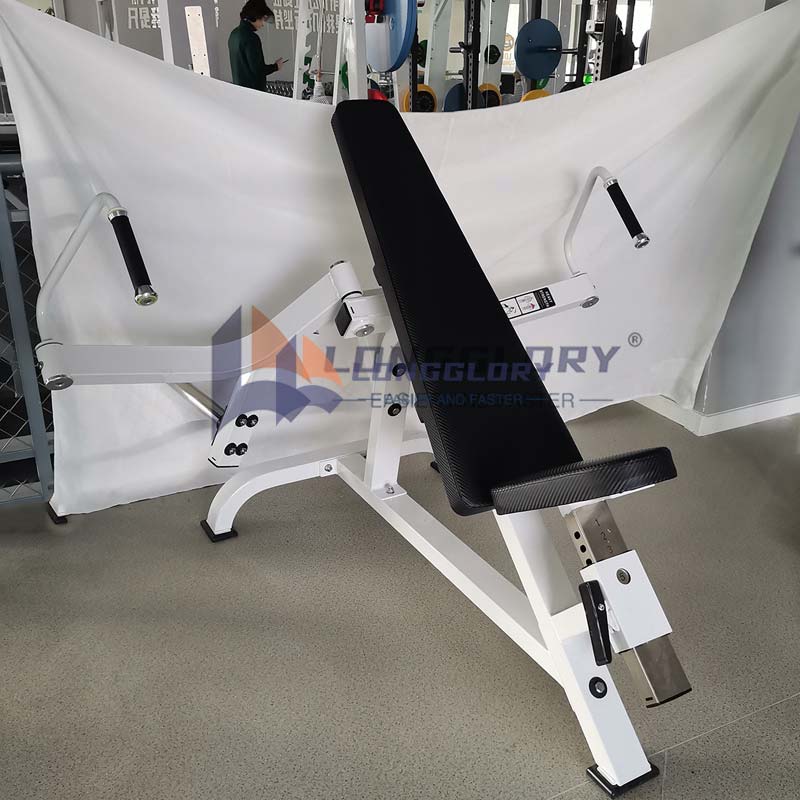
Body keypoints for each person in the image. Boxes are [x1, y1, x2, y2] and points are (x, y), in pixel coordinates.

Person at [229, 0, 285, 91]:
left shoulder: (234, 34)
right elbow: (258, 70)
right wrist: (276, 67)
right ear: (254, 18)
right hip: (253, 92)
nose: (262, 24)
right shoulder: (251, 38)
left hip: (239, 90)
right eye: (262, 19)